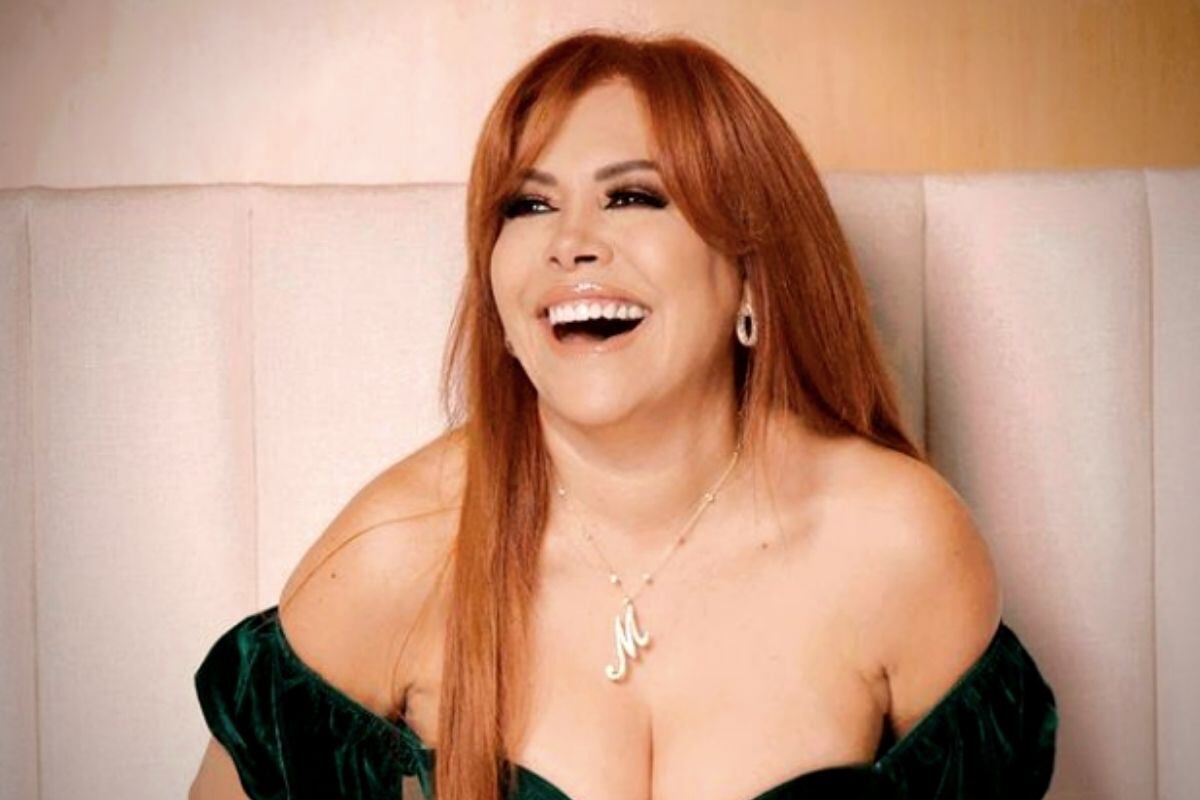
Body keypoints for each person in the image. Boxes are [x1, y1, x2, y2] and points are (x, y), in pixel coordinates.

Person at [189, 29, 1058, 800]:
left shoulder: (899, 543)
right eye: (529, 205)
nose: (570, 242)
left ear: (751, 274)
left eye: (633, 196)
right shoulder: (400, 548)